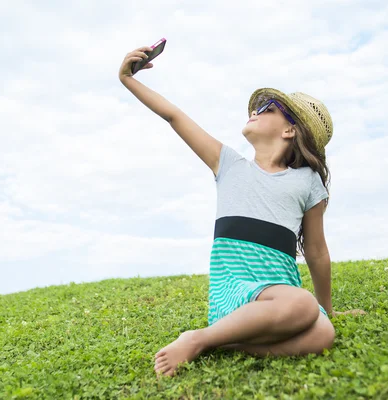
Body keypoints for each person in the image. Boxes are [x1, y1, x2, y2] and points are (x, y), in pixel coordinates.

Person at [118, 45, 366, 378]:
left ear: (289, 130)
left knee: (324, 332)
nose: (256, 110)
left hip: (279, 293)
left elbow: (317, 251)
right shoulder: (229, 163)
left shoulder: (308, 182)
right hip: (235, 292)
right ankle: (199, 338)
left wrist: (329, 309)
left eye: (269, 107)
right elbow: (174, 115)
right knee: (303, 306)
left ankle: (224, 343)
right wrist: (127, 79)